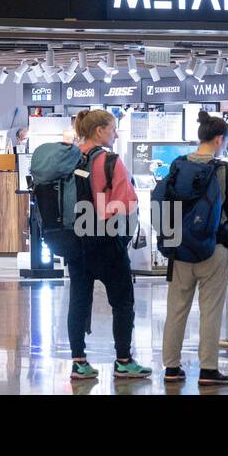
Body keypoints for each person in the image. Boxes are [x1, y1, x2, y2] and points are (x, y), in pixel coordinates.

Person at [160, 111, 228, 386]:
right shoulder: (224, 171)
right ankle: (208, 370)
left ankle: (171, 367)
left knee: (176, 309)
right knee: (211, 309)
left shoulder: (178, 165)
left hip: (180, 249)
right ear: (219, 139)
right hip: (214, 248)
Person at [67, 109, 152, 382]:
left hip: (75, 241)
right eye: (113, 128)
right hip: (105, 240)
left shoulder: (69, 157)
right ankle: (123, 361)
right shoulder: (111, 161)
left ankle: (79, 362)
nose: (115, 134)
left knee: (78, 300)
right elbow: (126, 203)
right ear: (101, 131)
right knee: (123, 301)